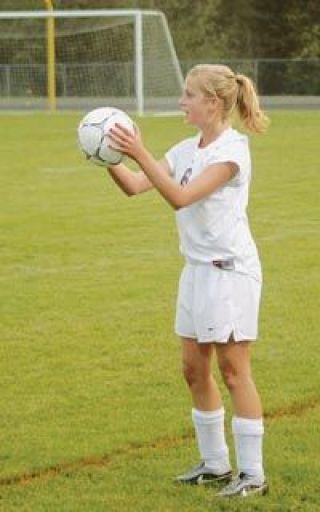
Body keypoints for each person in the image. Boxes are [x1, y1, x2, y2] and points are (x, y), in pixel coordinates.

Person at [107, 64, 269, 498]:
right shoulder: (185, 148)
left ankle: (252, 474)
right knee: (193, 370)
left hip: (229, 273)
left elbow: (179, 197)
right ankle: (215, 465)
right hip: (195, 271)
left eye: (188, 95)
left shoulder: (233, 152)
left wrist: (140, 151)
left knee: (235, 372)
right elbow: (136, 186)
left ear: (212, 103)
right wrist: (107, 155)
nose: (182, 102)